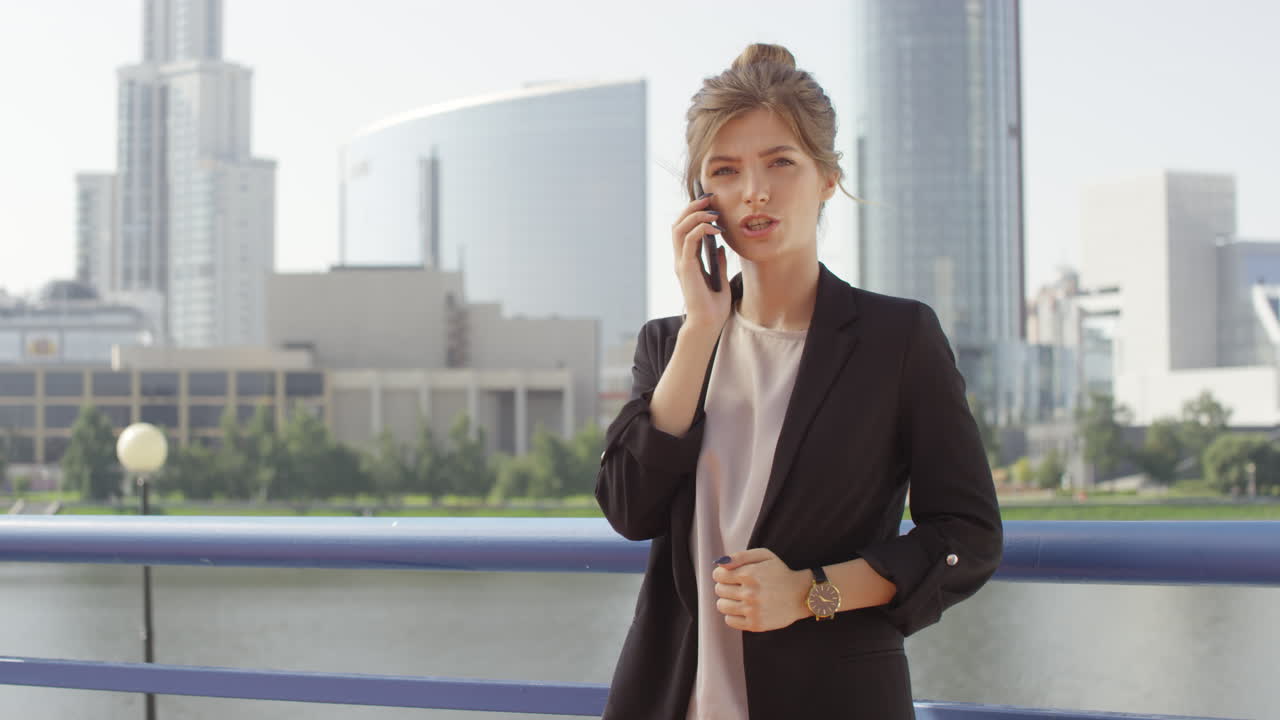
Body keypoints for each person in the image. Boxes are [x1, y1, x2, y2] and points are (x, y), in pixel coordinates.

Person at [595, 43, 1004, 719]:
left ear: (826, 178)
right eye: (725, 171)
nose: (754, 190)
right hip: (671, 702)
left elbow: (968, 536)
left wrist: (813, 591)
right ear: (702, 201)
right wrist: (702, 329)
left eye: (780, 162)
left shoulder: (897, 340)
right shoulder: (669, 343)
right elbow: (629, 508)